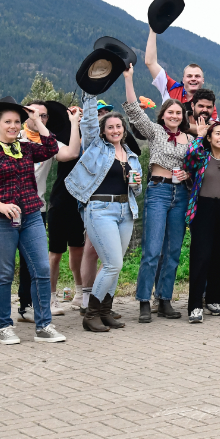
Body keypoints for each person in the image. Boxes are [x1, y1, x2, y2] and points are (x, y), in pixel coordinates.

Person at [0, 98, 65, 344]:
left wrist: (35, 121)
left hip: (31, 216)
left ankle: (43, 326)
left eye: (17, 122)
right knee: (4, 274)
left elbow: (52, 146)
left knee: (41, 270)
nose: (13, 126)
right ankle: (4, 326)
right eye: (7, 122)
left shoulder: (27, 148)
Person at [64, 96, 144, 332]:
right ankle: (91, 315)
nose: (115, 130)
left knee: (115, 266)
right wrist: (89, 96)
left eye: (119, 126)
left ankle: (105, 312)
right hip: (100, 209)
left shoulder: (132, 157)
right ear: (103, 131)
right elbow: (88, 124)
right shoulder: (95, 147)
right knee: (112, 263)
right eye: (110, 127)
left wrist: (135, 183)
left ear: (124, 130)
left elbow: (136, 190)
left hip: (125, 210)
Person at [123, 64, 193, 322]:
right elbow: (133, 111)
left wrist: (188, 173)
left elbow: (199, 165)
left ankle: (164, 299)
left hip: (180, 195)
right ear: (163, 115)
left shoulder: (189, 139)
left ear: (183, 116)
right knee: (152, 250)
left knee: (173, 250)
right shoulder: (155, 132)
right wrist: (129, 79)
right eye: (171, 112)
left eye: (179, 112)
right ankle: (144, 300)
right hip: (158, 191)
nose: (175, 115)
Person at [182, 118, 220, 322]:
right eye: (217, 133)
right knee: (201, 256)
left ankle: (215, 300)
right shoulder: (201, 157)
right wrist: (198, 136)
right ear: (209, 137)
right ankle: (195, 305)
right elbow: (187, 160)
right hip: (203, 208)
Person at [32, 103, 86, 316]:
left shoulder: (94, 137)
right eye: (77, 114)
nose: (79, 117)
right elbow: (70, 153)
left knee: (77, 248)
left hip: (82, 201)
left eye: (82, 114)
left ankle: (81, 292)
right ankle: (51, 297)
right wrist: (73, 123)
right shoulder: (61, 137)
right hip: (60, 199)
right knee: (55, 252)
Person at [144, 29, 216, 117]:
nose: (193, 78)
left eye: (197, 76)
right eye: (189, 76)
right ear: (183, 79)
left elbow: (213, 127)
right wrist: (153, 30)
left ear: (203, 80)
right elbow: (150, 62)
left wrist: (183, 126)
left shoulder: (207, 102)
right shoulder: (170, 87)